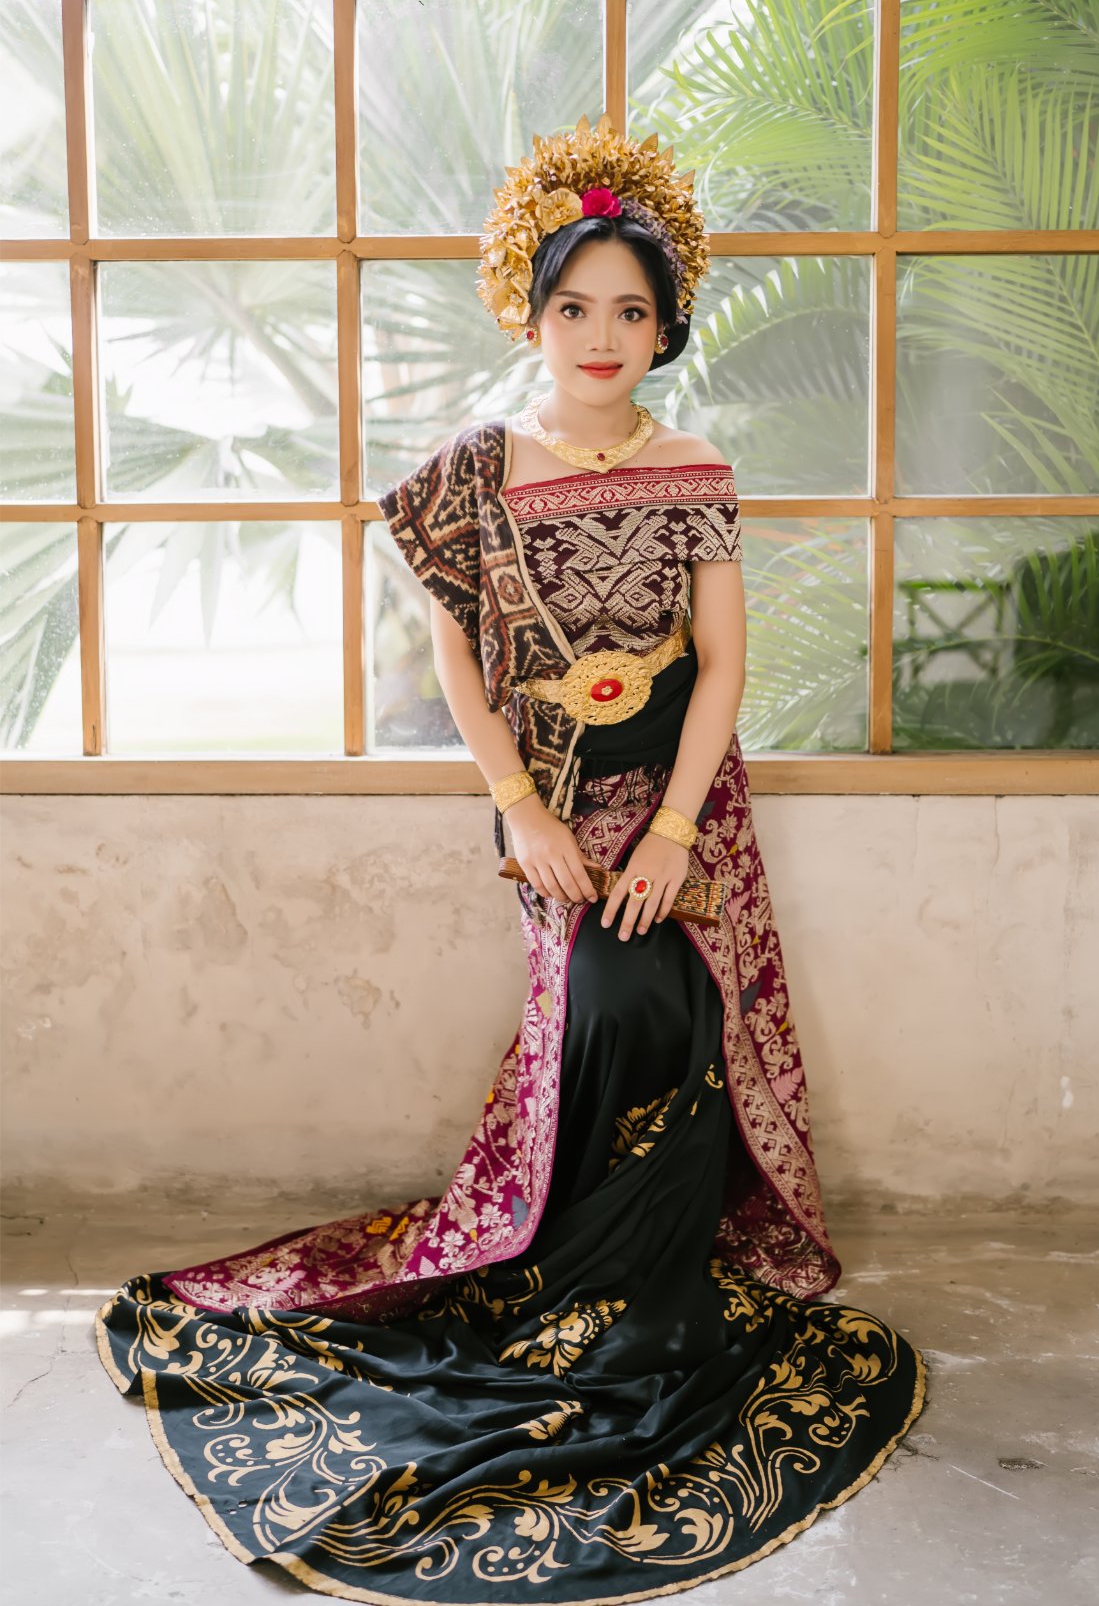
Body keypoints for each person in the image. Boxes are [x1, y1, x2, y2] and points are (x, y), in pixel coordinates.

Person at [94, 114, 925, 1602]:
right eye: (575, 307)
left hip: (679, 797)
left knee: (682, 1012)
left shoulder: (695, 468)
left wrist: (674, 831)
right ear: (530, 315)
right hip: (548, 792)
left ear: (666, 328)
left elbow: (725, 669)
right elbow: (459, 666)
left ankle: (647, 1302)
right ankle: (566, 1286)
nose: (601, 337)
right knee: (610, 1001)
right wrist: (522, 812)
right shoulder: (469, 476)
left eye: (632, 311)